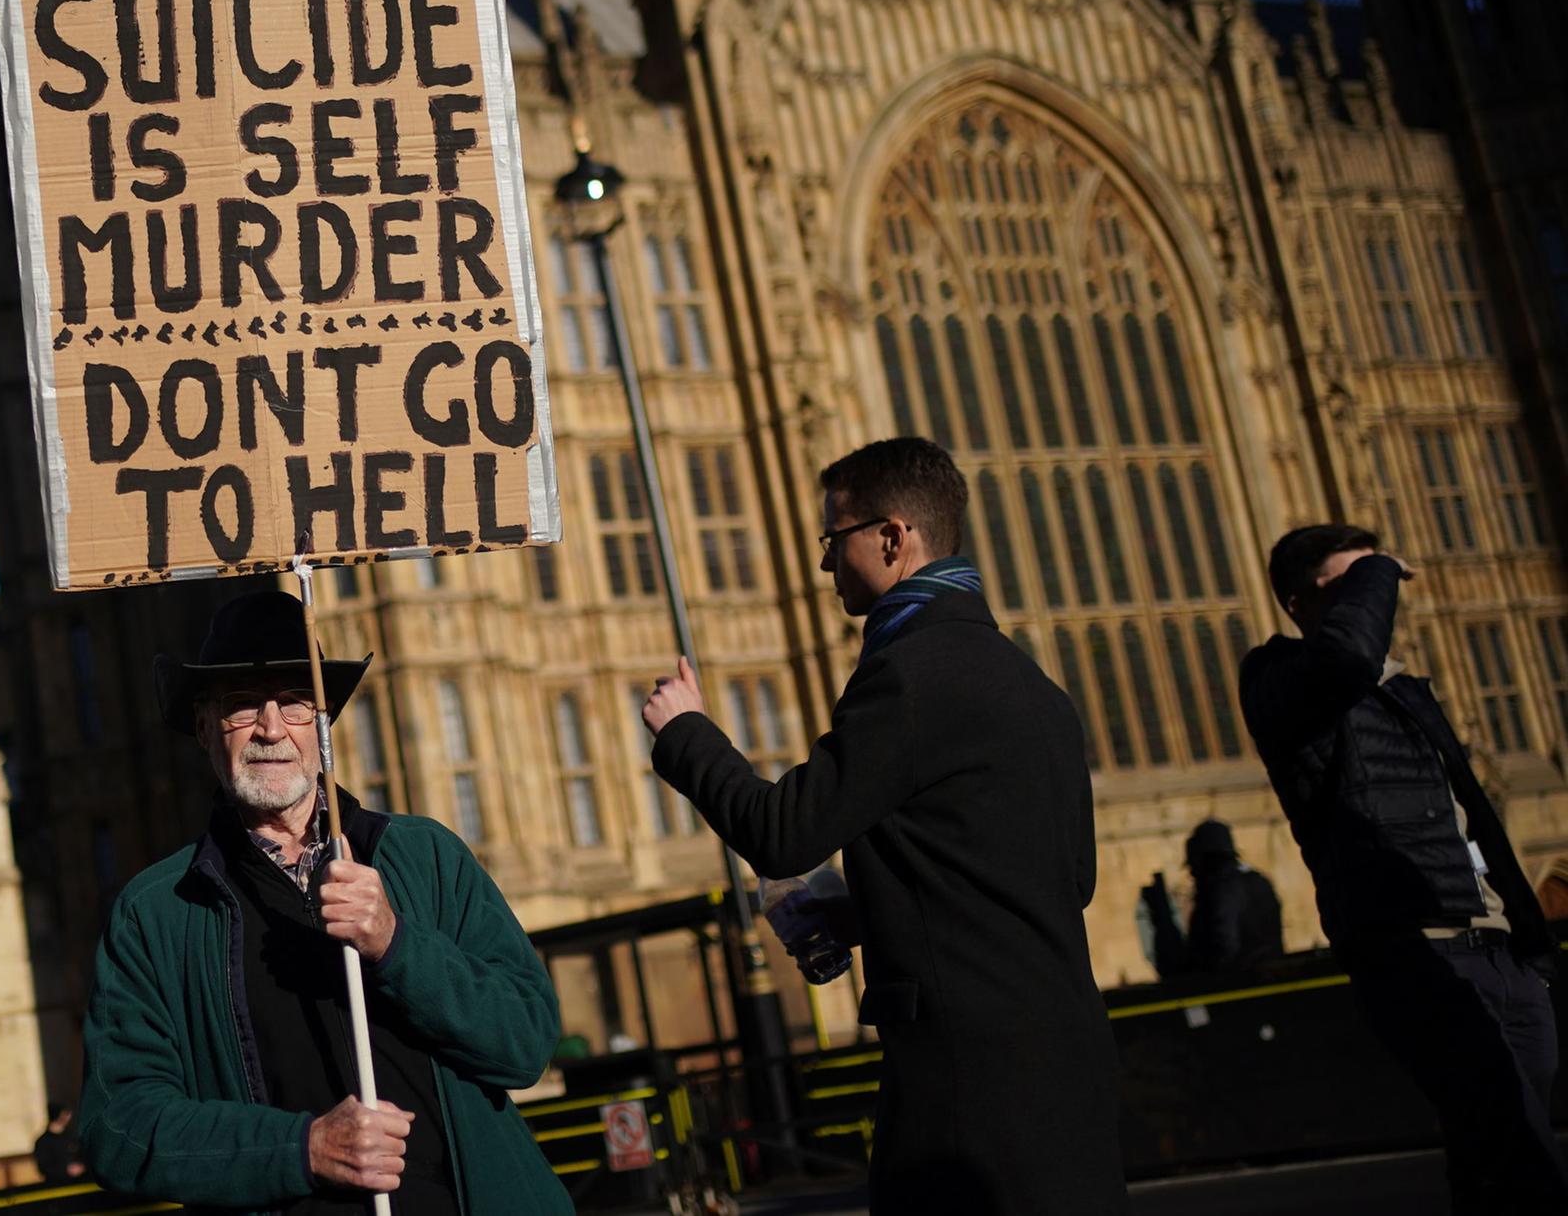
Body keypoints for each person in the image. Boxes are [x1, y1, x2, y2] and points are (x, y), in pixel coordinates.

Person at [641, 437, 1127, 1215]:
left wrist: (687, 734)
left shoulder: (911, 673)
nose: (825, 565)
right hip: (1066, 1057)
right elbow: (1061, 877)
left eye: (834, 540)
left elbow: (783, 831)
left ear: (893, 538)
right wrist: (873, 905)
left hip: (965, 1082)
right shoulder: (1032, 685)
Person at [77, 590, 568, 1215]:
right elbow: (118, 1128)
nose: (271, 727)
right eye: (240, 706)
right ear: (203, 727)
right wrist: (302, 1148)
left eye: (296, 703)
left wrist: (398, 946)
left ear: (324, 722)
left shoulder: (425, 855)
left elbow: (525, 1044)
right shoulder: (155, 912)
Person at [1240, 525, 1567, 1211]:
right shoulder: (1280, 679)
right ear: (1301, 601)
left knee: (1492, 1159)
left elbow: (1469, 815)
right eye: (1358, 580)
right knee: (1524, 1157)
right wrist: (1380, 572)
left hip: (1502, 952)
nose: (1380, 590)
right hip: (1421, 953)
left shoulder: (1403, 687)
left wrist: (1529, 948)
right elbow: (1346, 658)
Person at [1141, 819, 1284, 977]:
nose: (1192, 874)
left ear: (1205, 860)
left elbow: (1224, 946)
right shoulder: (1259, 881)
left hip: (1236, 982)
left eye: (1194, 866)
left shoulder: (1220, 891)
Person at [33, 1103, 86, 1182]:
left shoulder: (73, 1137)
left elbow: (84, 1155)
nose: (69, 1116)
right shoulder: (43, 1142)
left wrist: (82, 1166)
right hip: (57, 1184)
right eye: (65, 1113)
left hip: (80, 1181)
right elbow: (43, 1167)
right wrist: (66, 1170)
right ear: (57, 1115)